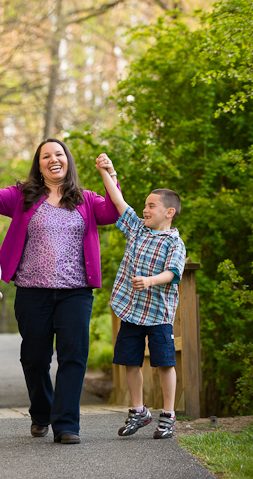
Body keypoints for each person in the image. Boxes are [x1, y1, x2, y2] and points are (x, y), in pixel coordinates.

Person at [0, 139, 120, 444]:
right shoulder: (22, 196)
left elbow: (113, 212)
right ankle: (41, 412)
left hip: (75, 292)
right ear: (38, 164)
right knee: (34, 358)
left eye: (59, 154)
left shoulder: (87, 199)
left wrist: (110, 175)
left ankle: (66, 424)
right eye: (46, 156)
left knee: (74, 356)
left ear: (68, 160)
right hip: (32, 291)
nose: (53, 159)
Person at [96, 154, 187, 440]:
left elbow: (173, 273)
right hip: (131, 311)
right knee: (129, 361)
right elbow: (119, 201)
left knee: (164, 363)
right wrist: (106, 172)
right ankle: (138, 411)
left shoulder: (174, 242)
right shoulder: (137, 229)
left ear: (168, 212)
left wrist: (149, 280)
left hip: (159, 314)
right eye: (145, 205)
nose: (145, 209)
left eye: (151, 205)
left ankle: (168, 415)